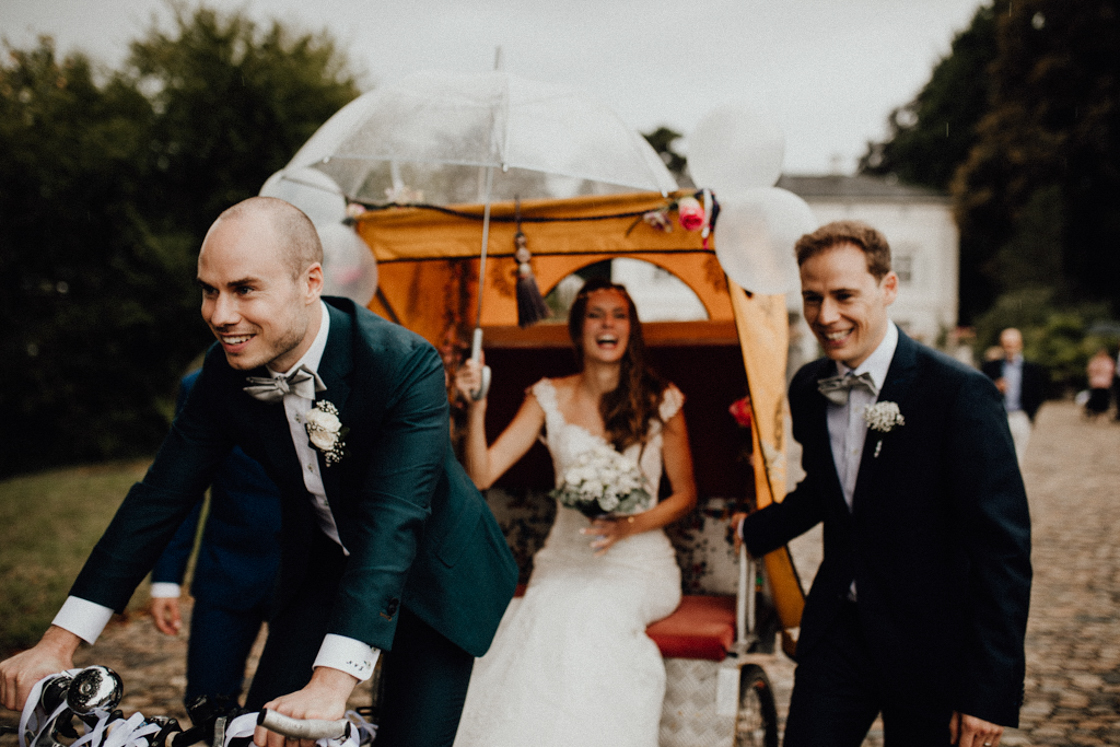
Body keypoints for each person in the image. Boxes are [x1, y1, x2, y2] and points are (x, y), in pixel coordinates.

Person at [0, 196, 519, 747]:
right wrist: (58, 642)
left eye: (244, 289)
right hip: (325, 567)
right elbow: (158, 500)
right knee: (260, 730)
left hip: (436, 572)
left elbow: (394, 523)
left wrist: (331, 682)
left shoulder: (403, 363)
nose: (220, 315)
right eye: (209, 290)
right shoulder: (223, 374)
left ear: (310, 282)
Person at [734, 221, 1031, 747]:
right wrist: (753, 529)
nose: (826, 315)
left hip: (932, 645)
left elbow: (1001, 551)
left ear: (888, 287)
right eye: (812, 297)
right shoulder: (808, 387)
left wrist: (987, 691)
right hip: (839, 634)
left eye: (844, 295)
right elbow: (829, 490)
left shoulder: (959, 393)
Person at [450, 278, 697, 747]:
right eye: (595, 315)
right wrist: (477, 405)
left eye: (619, 315)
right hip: (564, 561)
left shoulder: (660, 399)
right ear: (578, 330)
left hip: (639, 565)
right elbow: (482, 475)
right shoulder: (548, 396)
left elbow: (685, 495)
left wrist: (627, 526)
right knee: (538, 617)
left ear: (631, 329)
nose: (607, 324)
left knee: (587, 615)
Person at [148, 368, 282, 706]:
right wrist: (166, 580)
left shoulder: (333, 378)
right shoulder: (200, 386)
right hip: (226, 568)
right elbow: (183, 486)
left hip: (306, 579)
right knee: (205, 701)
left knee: (285, 712)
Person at [981, 328, 1047, 465]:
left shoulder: (1031, 369)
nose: (1010, 348)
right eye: (1006, 344)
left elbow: (1039, 393)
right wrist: (995, 387)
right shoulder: (991, 367)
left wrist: (1030, 415)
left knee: (1018, 458)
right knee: (997, 456)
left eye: (1013, 344)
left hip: (1021, 416)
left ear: (1020, 344)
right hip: (999, 416)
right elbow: (981, 392)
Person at [1084, 348, 1115, 419]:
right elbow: (1090, 370)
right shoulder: (1094, 361)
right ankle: (1094, 411)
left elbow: (1110, 371)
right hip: (1096, 382)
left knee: (1103, 398)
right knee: (1095, 397)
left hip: (1104, 382)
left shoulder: (1108, 361)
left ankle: (1102, 411)